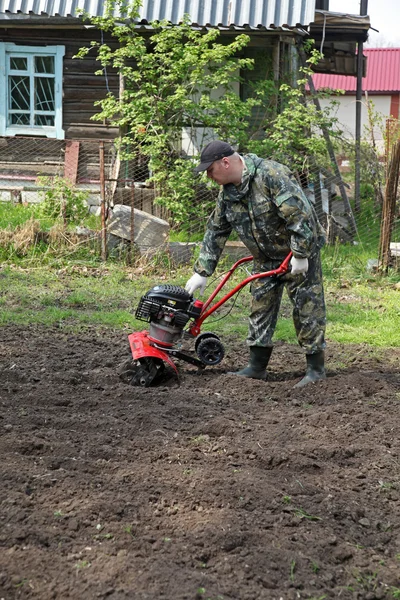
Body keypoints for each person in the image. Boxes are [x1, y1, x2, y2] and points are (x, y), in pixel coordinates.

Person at [185, 140, 326, 388]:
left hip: (296, 255)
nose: (209, 176)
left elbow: (300, 215)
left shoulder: (271, 175)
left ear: (225, 162)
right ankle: (256, 367)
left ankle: (315, 370)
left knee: (307, 308)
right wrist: (202, 271)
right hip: (265, 259)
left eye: (210, 170)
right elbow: (216, 230)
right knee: (260, 309)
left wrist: (301, 254)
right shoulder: (228, 192)